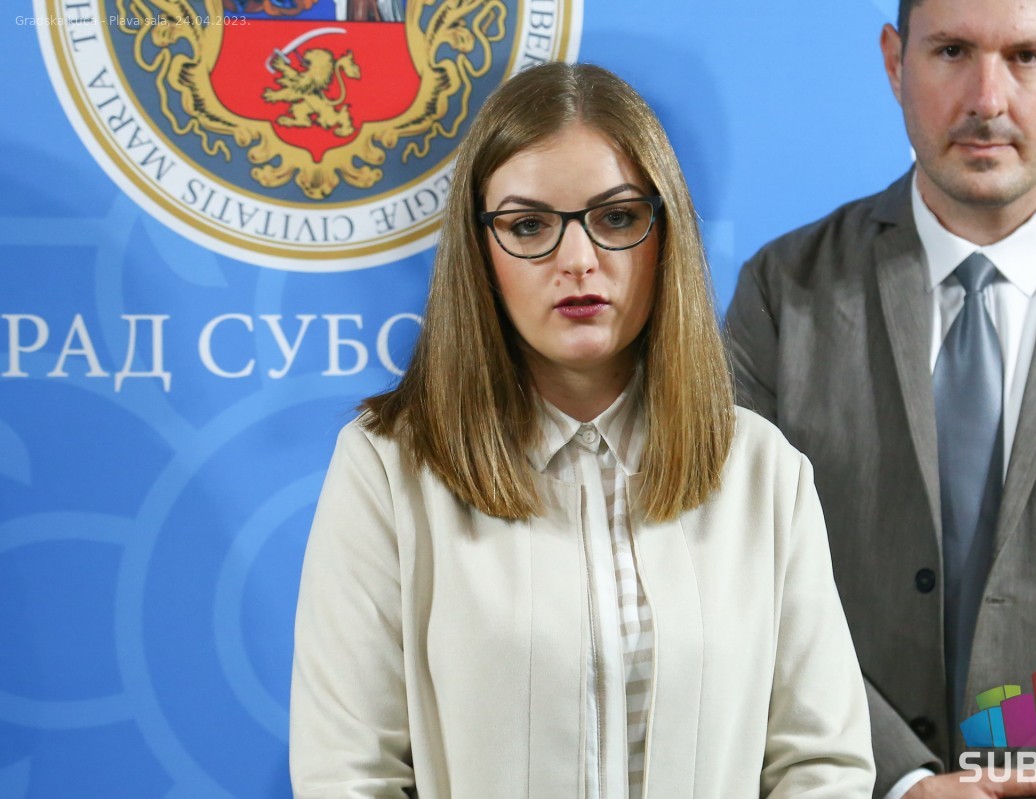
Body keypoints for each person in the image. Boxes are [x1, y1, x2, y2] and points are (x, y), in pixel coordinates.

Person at [290, 62, 874, 798]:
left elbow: (822, 766)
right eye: (529, 225)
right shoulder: (386, 467)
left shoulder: (763, 470)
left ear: (665, 234)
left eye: (617, 218)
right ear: (479, 248)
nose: (578, 260)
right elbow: (348, 775)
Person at [726, 0, 1036, 797]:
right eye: (951, 51)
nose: (986, 99)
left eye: (1026, 57)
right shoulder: (784, 293)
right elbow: (742, 575)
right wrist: (905, 781)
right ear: (894, 61)